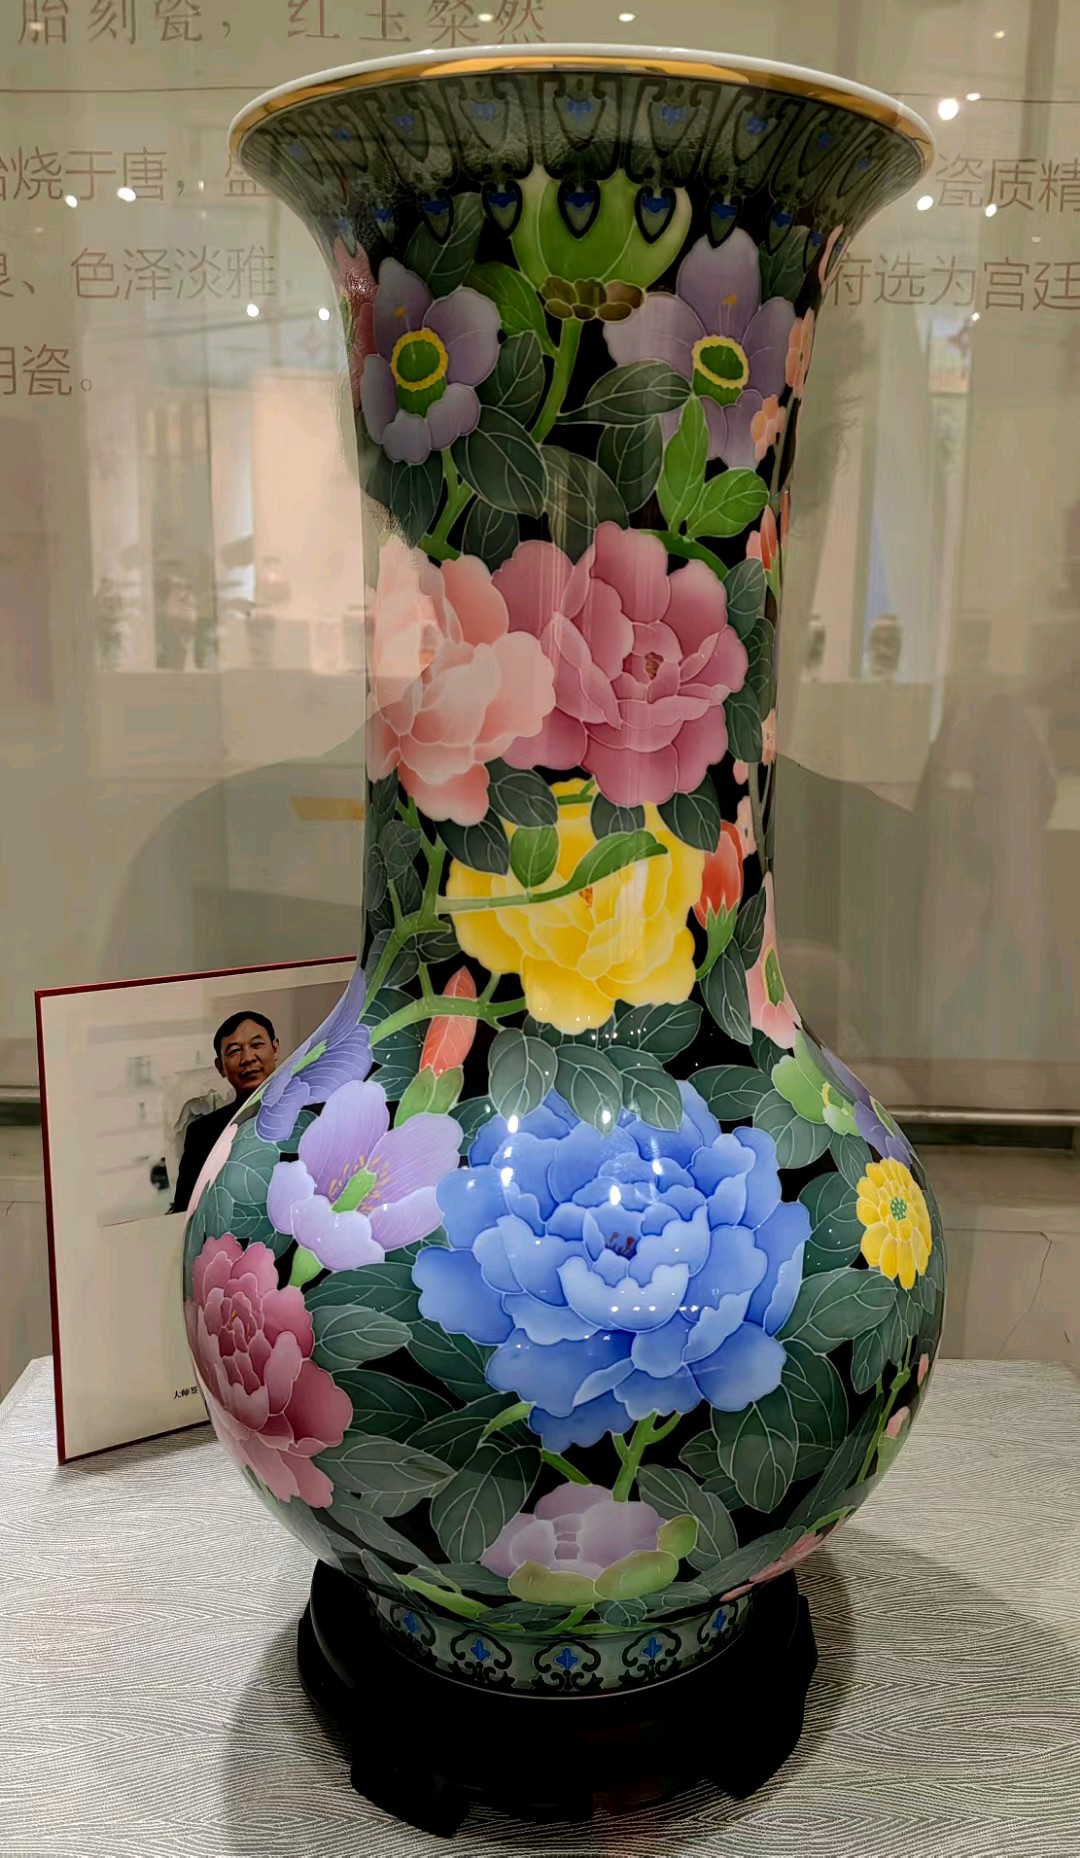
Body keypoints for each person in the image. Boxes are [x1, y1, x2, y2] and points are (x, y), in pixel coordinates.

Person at [171, 1011, 279, 1213]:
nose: (247, 1058)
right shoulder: (202, 1133)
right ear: (220, 1067)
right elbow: (185, 1210)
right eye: (234, 1051)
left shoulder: (311, 1113)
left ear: (275, 1049)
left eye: (256, 1045)